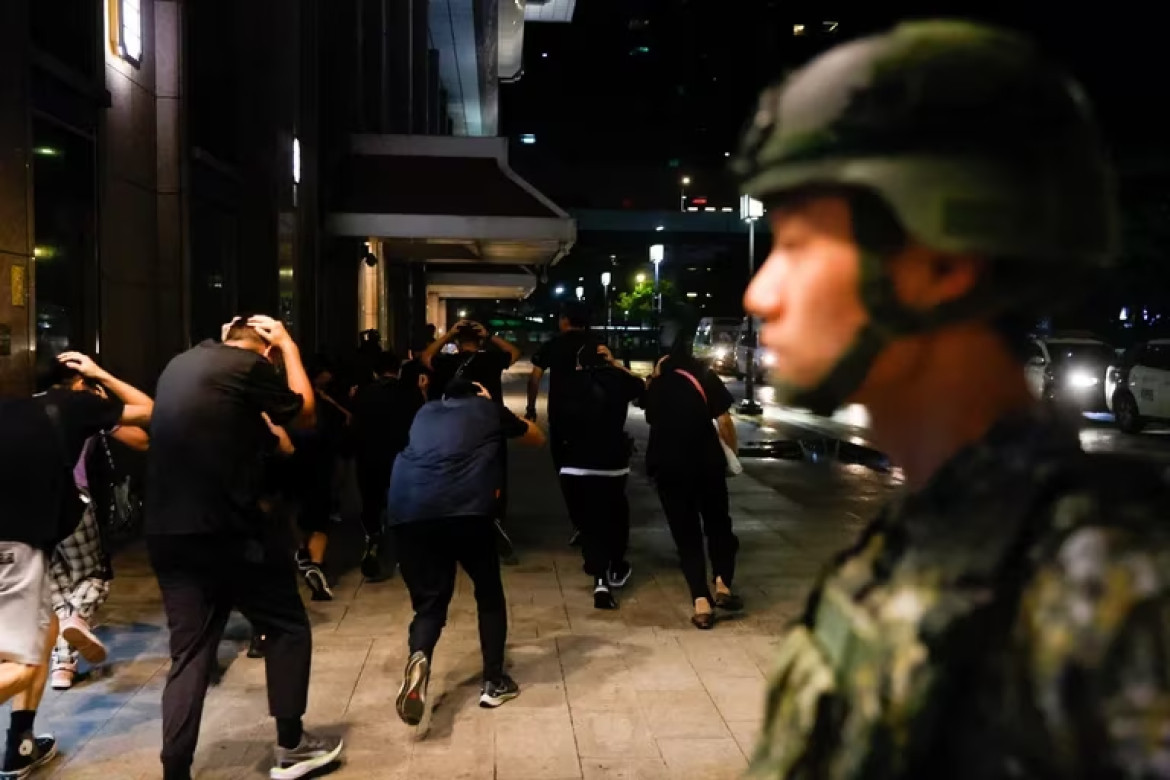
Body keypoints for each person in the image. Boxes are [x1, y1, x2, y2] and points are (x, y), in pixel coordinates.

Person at [736, 21, 1170, 778]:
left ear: (943, 264)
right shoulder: (932, 535)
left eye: (800, 245)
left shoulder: (1111, 590)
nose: (759, 292)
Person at [145, 315, 343, 780]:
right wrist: (290, 346)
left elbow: (250, 436)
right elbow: (305, 415)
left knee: (190, 652)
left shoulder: (181, 364)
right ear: (266, 349)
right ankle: (291, 747)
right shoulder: (249, 366)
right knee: (287, 626)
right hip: (228, 531)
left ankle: (175, 770)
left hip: (166, 532)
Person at [0, 351, 152, 778]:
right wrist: (100, 372)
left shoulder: (13, 410)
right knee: (23, 662)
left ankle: (21, 743)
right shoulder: (74, 402)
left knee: (45, 631)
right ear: (79, 381)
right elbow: (150, 414)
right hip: (19, 547)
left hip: (26, 546)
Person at [386, 379, 544, 728]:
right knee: (488, 593)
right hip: (466, 511)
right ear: (478, 394)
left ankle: (420, 656)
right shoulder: (485, 408)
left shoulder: (425, 411)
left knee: (429, 605)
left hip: (408, 512)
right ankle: (494, 681)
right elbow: (535, 437)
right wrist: (492, 403)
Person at [41, 357, 153, 691]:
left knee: (57, 584)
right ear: (79, 383)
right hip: (73, 501)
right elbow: (143, 434)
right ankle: (74, 624)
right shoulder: (83, 409)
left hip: (28, 508)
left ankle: (62, 664)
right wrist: (103, 395)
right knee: (93, 575)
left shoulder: (28, 408)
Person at [644, 331, 742, 630]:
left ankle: (701, 602)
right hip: (707, 463)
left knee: (686, 533)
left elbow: (650, 417)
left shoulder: (657, 385)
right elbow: (724, 420)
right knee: (718, 523)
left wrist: (655, 378)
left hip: (670, 466)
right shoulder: (705, 376)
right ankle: (723, 585)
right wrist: (732, 456)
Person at [421, 320, 523, 557]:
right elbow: (514, 352)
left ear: (457, 343)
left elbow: (425, 357)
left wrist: (447, 335)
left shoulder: (446, 362)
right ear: (479, 342)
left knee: (457, 473)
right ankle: (494, 518)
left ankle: (460, 521)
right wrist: (490, 336)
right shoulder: (490, 360)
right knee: (494, 473)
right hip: (489, 425)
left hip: (454, 428)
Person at [555, 344, 645, 609]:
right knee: (615, 515)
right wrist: (615, 363)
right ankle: (616, 566)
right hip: (612, 463)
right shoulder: (618, 380)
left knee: (589, 522)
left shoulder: (568, 382)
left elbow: (559, 421)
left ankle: (600, 579)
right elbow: (642, 386)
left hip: (574, 464)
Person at [526, 303, 602, 545]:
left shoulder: (553, 345)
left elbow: (535, 378)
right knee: (594, 469)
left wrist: (530, 408)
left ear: (565, 320)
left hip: (562, 416)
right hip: (594, 417)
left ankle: (580, 523)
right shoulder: (597, 343)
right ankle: (595, 520)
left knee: (566, 470)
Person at [351, 349, 424, 581]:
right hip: (402, 456)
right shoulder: (410, 393)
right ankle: (405, 554)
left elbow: (355, 423)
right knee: (403, 503)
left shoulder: (363, 393)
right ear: (398, 370)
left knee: (371, 500)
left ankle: (373, 536)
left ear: (375, 372)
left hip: (369, 455)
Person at [289, 362, 349, 601]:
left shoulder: (287, 409)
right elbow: (345, 425)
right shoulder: (322, 412)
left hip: (293, 469)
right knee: (321, 523)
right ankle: (315, 564)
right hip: (320, 470)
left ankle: (302, 553)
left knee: (298, 516)